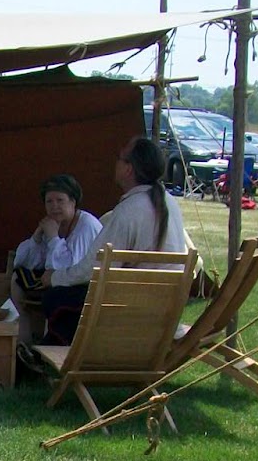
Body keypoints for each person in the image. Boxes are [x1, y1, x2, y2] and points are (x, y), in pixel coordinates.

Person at [21, 137, 192, 347]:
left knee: (55, 298)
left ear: (128, 169)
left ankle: (67, 350)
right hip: (162, 307)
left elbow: (92, 268)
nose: (115, 163)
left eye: (119, 158)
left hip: (130, 308)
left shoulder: (129, 210)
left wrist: (54, 278)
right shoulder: (169, 202)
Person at [9, 174, 102, 345]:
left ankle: (50, 342)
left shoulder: (86, 225)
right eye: (49, 202)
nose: (54, 207)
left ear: (73, 202)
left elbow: (71, 268)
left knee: (53, 290)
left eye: (60, 200)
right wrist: (37, 237)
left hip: (83, 284)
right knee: (17, 278)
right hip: (57, 276)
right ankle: (24, 340)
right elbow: (24, 262)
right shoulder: (53, 223)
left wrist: (53, 238)